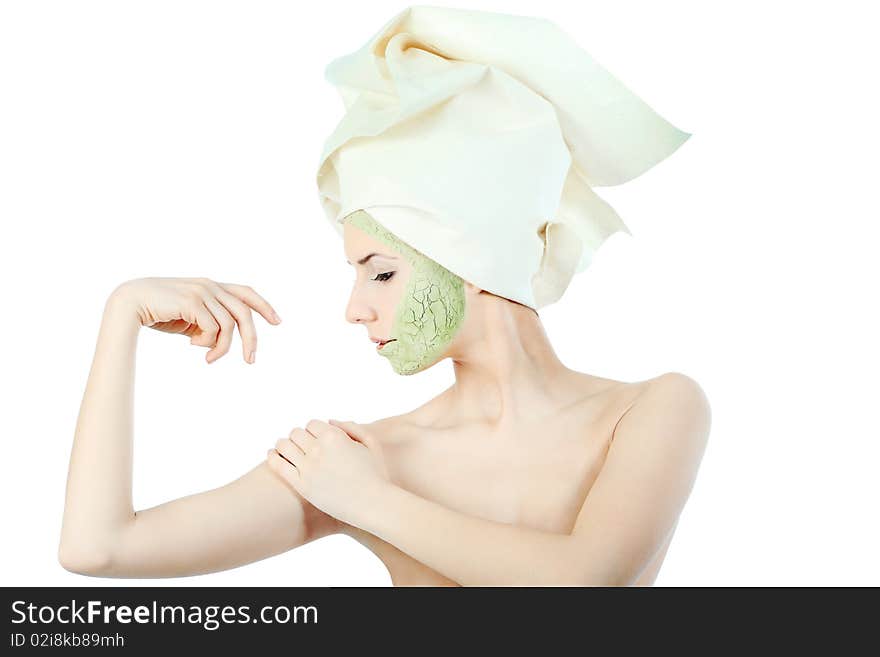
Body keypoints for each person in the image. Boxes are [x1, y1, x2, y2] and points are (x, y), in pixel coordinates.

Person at [58, 6, 711, 586]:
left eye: (381, 272)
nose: (355, 308)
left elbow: (583, 584)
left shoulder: (655, 410)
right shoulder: (362, 457)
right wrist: (122, 314)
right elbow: (99, 549)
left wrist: (370, 502)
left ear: (474, 258)